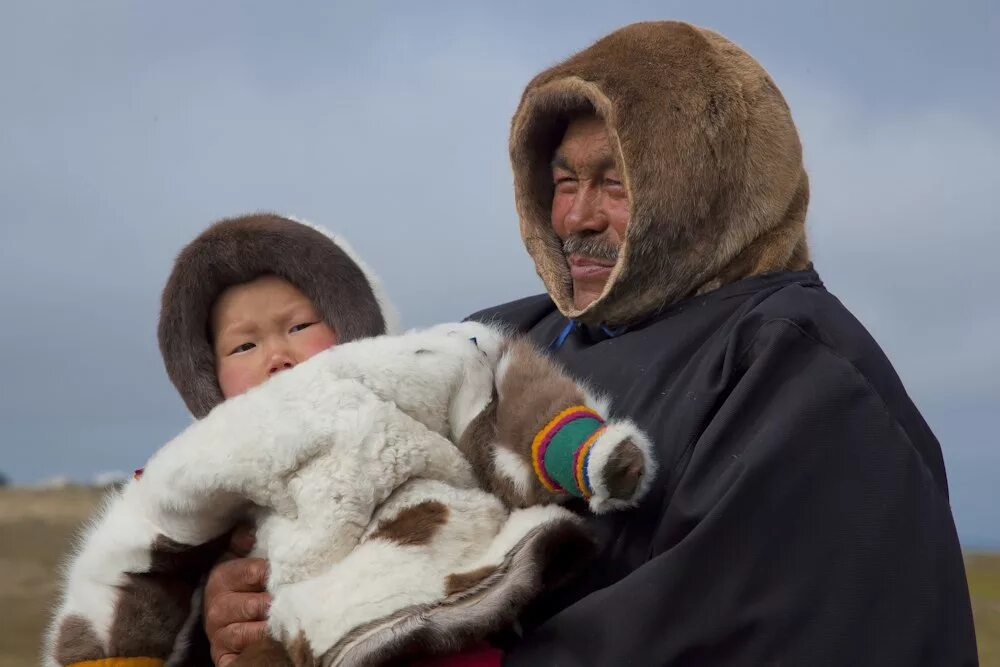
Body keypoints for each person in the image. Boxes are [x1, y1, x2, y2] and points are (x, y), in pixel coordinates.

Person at [203, 21, 978, 666]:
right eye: (564, 180)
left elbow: (720, 628)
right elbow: (363, 507)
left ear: (707, 188)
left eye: (615, 182)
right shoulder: (506, 338)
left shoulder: (797, 371)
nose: (575, 216)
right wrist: (243, 609)